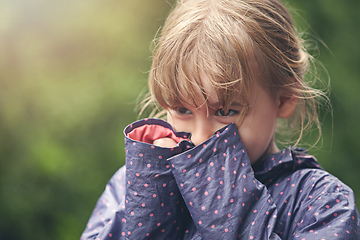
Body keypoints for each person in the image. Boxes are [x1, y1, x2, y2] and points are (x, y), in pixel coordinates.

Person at [81, 0, 360, 239]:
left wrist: (225, 202)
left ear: (284, 100)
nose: (201, 137)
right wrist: (152, 196)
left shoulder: (320, 202)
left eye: (225, 112)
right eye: (183, 110)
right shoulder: (130, 183)